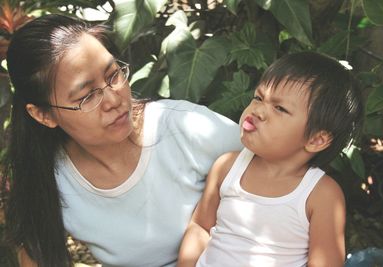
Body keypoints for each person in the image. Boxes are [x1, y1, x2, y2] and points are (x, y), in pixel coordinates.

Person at [3, 14, 242, 267]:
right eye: (87, 96)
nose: (114, 100)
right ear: (42, 115)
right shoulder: (50, 177)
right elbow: (34, 253)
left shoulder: (185, 128)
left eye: (113, 75)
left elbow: (281, 167)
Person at [177, 52, 364, 267]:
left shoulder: (321, 195)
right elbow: (200, 227)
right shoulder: (227, 167)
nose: (258, 110)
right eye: (258, 97)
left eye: (279, 108)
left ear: (316, 139)